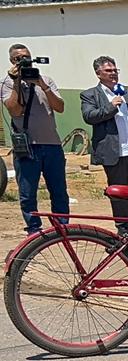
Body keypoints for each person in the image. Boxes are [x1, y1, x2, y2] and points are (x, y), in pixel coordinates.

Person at [3, 43, 69, 236]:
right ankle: (34, 228)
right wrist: (16, 81)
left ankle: (62, 225)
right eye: (18, 58)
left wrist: (41, 84)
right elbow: (14, 109)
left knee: (59, 189)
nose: (23, 61)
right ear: (12, 61)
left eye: (26, 57)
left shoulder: (45, 80)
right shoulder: (7, 82)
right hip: (27, 146)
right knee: (28, 191)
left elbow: (60, 107)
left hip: (52, 145)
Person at [80, 56, 128, 235]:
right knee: (119, 191)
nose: (113, 74)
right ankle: (123, 226)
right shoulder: (90, 95)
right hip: (114, 151)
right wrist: (111, 107)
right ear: (98, 73)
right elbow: (89, 117)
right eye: (108, 71)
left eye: (115, 70)